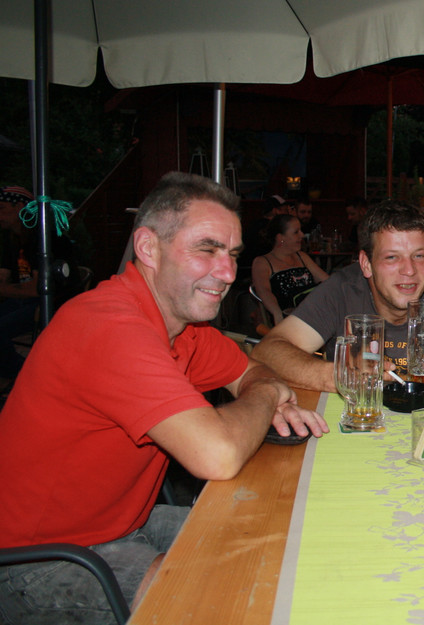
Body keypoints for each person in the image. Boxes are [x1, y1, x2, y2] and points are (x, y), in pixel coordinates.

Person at [0, 172, 328, 621]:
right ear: (148, 248)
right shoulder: (109, 326)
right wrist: (269, 395)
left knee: (284, 533)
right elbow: (218, 455)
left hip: (127, 522)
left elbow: (252, 371)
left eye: (232, 254)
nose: (227, 273)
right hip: (39, 558)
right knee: (220, 602)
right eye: (207, 249)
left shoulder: (183, 326)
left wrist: (263, 388)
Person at [252, 199, 424, 390]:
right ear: (366, 264)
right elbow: (267, 352)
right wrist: (342, 376)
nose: (409, 270)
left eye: (419, 255)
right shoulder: (342, 290)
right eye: (392, 257)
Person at [0, 186, 79, 389]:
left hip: (51, 303)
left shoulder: (45, 239)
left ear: (19, 207)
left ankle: (26, 376)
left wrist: (7, 288)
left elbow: (36, 289)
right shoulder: (11, 239)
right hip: (23, 300)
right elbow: (4, 277)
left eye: (2, 208)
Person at [251, 214, 329, 325]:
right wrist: (277, 313)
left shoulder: (302, 257)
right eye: (296, 232)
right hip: (289, 320)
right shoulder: (262, 262)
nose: (302, 235)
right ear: (280, 238)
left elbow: (327, 281)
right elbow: (264, 291)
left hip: (314, 315)